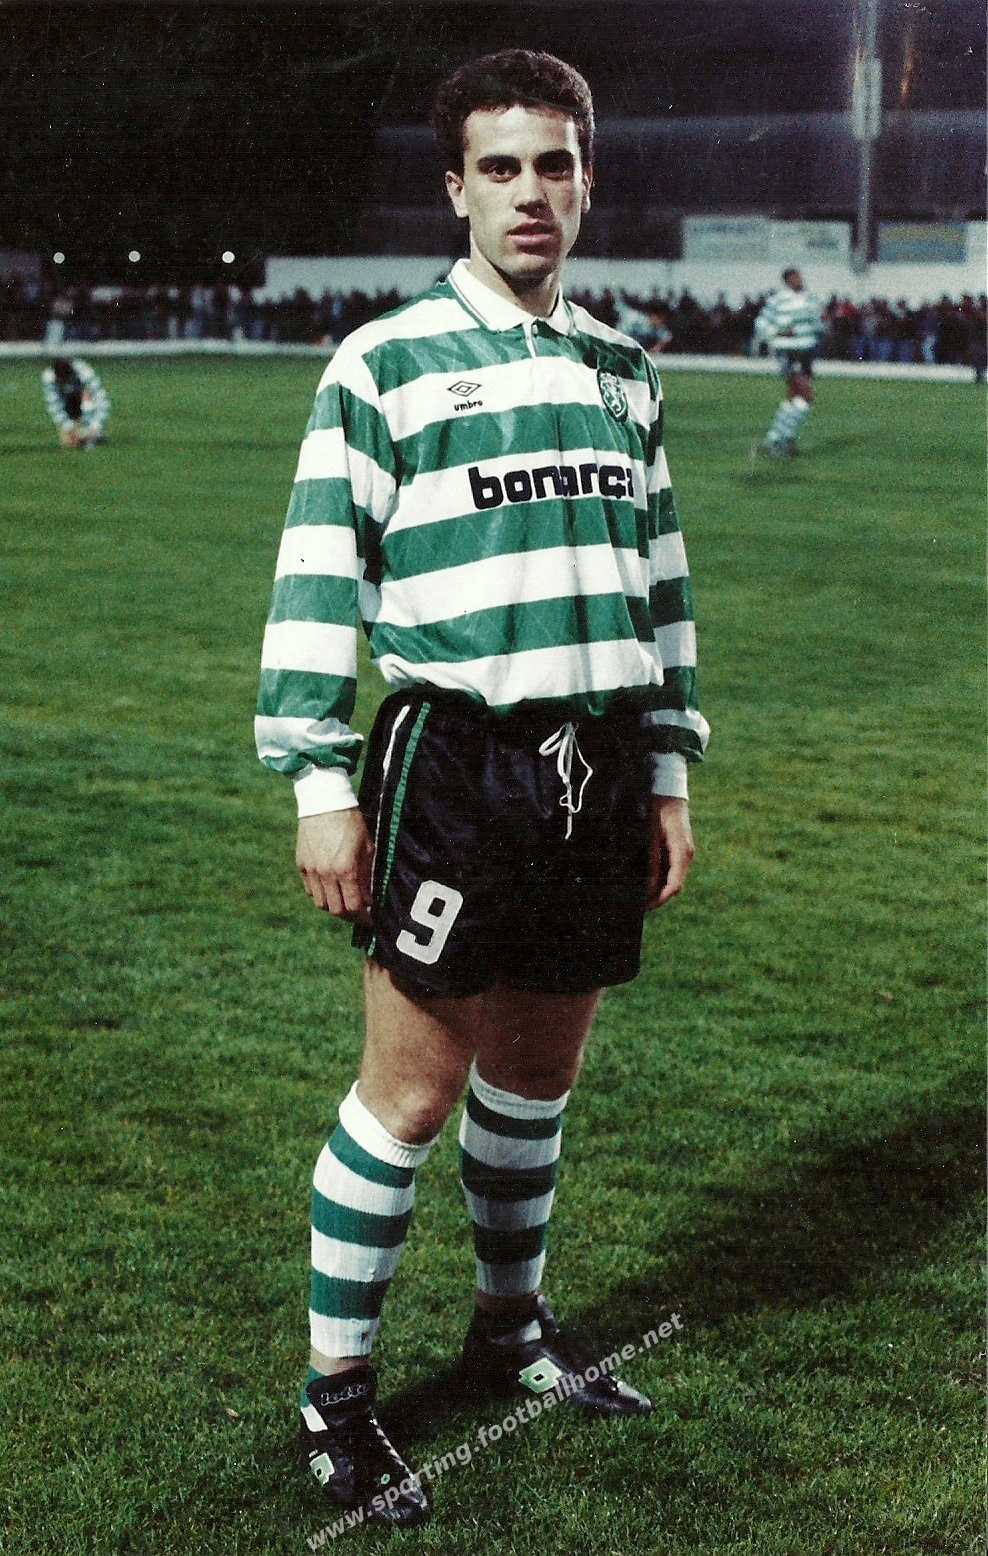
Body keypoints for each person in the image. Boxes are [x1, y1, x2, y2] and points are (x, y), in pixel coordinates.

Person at [255, 48, 709, 1528]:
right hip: (456, 763)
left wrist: (668, 768)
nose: (530, 193)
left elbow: (660, 586)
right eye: (499, 167)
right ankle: (337, 1398)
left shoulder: (624, 371)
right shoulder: (381, 362)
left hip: (600, 761)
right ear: (454, 187)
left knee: (536, 1078)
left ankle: (510, 1333)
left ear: (588, 181)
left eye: (553, 164)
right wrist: (318, 780)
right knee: (411, 1092)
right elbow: (318, 576)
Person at [751, 267, 825, 459]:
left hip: (807, 351)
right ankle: (784, 438)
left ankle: (776, 439)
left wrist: (822, 322)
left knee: (794, 397)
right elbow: (761, 323)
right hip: (789, 352)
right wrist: (778, 332)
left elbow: (819, 324)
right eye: (794, 278)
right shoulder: (778, 300)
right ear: (786, 281)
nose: (799, 280)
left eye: (800, 277)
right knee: (806, 395)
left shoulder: (811, 298)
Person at [41, 356, 110, 449]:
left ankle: (91, 433)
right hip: (67, 403)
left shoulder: (85, 372)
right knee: (68, 443)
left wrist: (95, 426)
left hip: (85, 400)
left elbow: (102, 401)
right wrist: (69, 427)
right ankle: (89, 436)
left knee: (87, 394)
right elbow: (55, 406)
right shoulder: (48, 378)